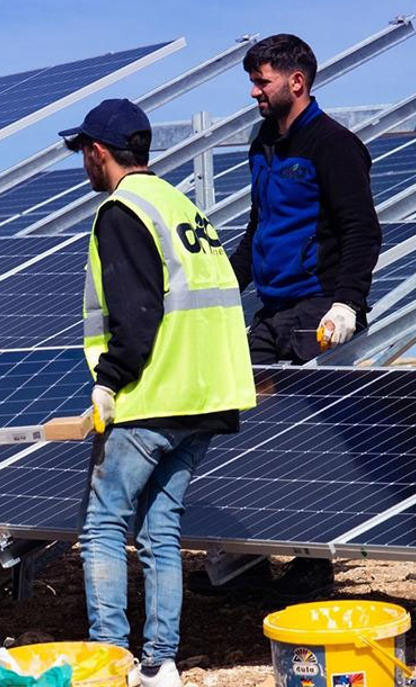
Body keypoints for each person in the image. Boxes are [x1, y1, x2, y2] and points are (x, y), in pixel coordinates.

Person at [64, 99, 256, 687]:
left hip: (154, 395)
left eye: (84, 155)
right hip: (208, 396)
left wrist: (108, 381)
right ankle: (160, 663)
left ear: (99, 153)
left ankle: (109, 659)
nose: (84, 167)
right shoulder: (180, 205)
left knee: (103, 524)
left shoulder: (121, 211)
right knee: (160, 528)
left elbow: (137, 312)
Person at [221, 34, 381, 599]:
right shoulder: (263, 142)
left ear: (297, 81)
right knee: (233, 414)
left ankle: (314, 563)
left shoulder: (333, 145)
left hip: (319, 308)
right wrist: (219, 289)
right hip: (274, 307)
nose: (254, 92)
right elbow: (257, 229)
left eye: (262, 81)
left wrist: (348, 302)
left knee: (304, 439)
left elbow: (363, 228)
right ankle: (248, 560)